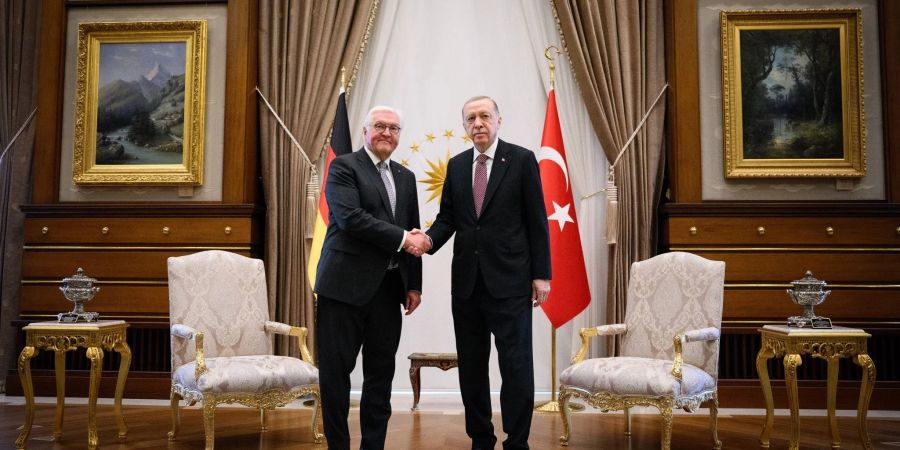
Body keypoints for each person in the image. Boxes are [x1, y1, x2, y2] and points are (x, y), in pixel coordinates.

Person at [420, 95, 551, 450]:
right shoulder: (458, 165)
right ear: (464, 126)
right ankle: (481, 437)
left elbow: (537, 220)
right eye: (470, 118)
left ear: (498, 120)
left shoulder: (521, 160)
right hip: (467, 285)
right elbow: (448, 218)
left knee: (516, 365)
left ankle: (517, 440)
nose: (477, 123)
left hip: (511, 282)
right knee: (473, 368)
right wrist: (427, 240)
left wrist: (542, 274)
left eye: (484, 116)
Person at [314, 105, 430, 450]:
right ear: (365, 131)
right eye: (380, 126)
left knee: (380, 377)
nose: (387, 133)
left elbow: (412, 230)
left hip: (388, 291)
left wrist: (413, 284)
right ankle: (338, 445)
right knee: (336, 376)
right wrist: (403, 239)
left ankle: (373, 446)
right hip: (343, 288)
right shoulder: (343, 166)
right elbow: (351, 218)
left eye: (394, 129)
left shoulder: (406, 177)